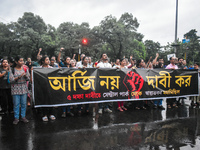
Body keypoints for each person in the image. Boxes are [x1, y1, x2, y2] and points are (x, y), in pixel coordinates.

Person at [10, 56, 30, 125]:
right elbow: (11, 80)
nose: (22, 62)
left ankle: (23, 117)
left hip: (24, 89)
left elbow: (28, 79)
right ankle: (16, 118)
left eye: (22, 60)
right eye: (20, 61)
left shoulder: (25, 69)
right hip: (15, 89)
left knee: (24, 104)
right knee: (16, 104)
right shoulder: (12, 69)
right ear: (16, 62)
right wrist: (19, 77)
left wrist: (25, 76)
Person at [57, 48, 74, 118]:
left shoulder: (72, 67)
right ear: (65, 61)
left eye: (70, 60)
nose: (69, 61)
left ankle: (68, 111)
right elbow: (58, 60)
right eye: (67, 60)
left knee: (69, 98)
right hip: (64, 84)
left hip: (70, 85)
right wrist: (60, 51)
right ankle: (64, 112)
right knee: (64, 98)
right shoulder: (63, 66)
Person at [39, 56, 57, 121]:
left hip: (50, 87)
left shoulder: (51, 68)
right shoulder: (39, 69)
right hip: (42, 87)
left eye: (48, 59)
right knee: (44, 100)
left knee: (51, 100)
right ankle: (44, 114)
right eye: (46, 60)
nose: (48, 61)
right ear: (43, 61)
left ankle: (51, 114)